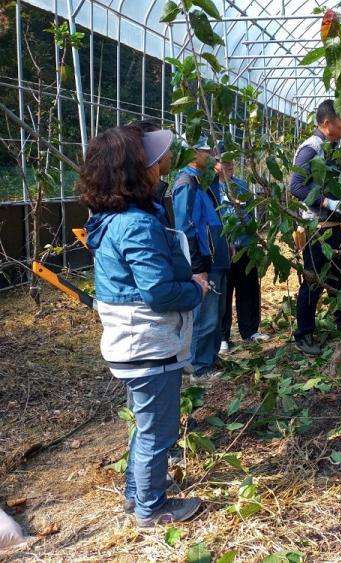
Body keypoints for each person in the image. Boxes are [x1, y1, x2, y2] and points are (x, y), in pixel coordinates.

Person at [79, 126, 205, 527]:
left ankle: (137, 495)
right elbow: (158, 292)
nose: (161, 162)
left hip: (132, 345)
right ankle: (152, 508)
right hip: (148, 344)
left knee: (146, 425)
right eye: (151, 159)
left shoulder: (111, 218)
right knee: (158, 432)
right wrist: (196, 289)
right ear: (132, 170)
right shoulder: (136, 224)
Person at [289, 99, 341, 356]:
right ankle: (303, 334)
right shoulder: (311, 149)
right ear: (327, 123)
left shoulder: (332, 148)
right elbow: (296, 186)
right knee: (313, 280)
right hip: (316, 228)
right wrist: (326, 202)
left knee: (337, 273)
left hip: (332, 224)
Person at [172, 136, 231, 382]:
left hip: (217, 256)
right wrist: (197, 268)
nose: (212, 156)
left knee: (217, 313)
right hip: (205, 260)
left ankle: (210, 357)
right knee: (204, 316)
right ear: (193, 153)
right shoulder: (186, 184)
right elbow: (185, 229)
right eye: (207, 152)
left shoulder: (204, 181)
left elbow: (215, 218)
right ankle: (198, 367)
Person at [210, 142, 270, 352]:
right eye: (224, 162)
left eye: (231, 161)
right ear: (214, 163)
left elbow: (250, 215)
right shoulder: (211, 188)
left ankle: (250, 330)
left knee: (248, 289)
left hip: (245, 246)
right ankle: (222, 336)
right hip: (224, 249)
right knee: (224, 293)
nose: (229, 165)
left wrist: (254, 240)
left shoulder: (242, 186)